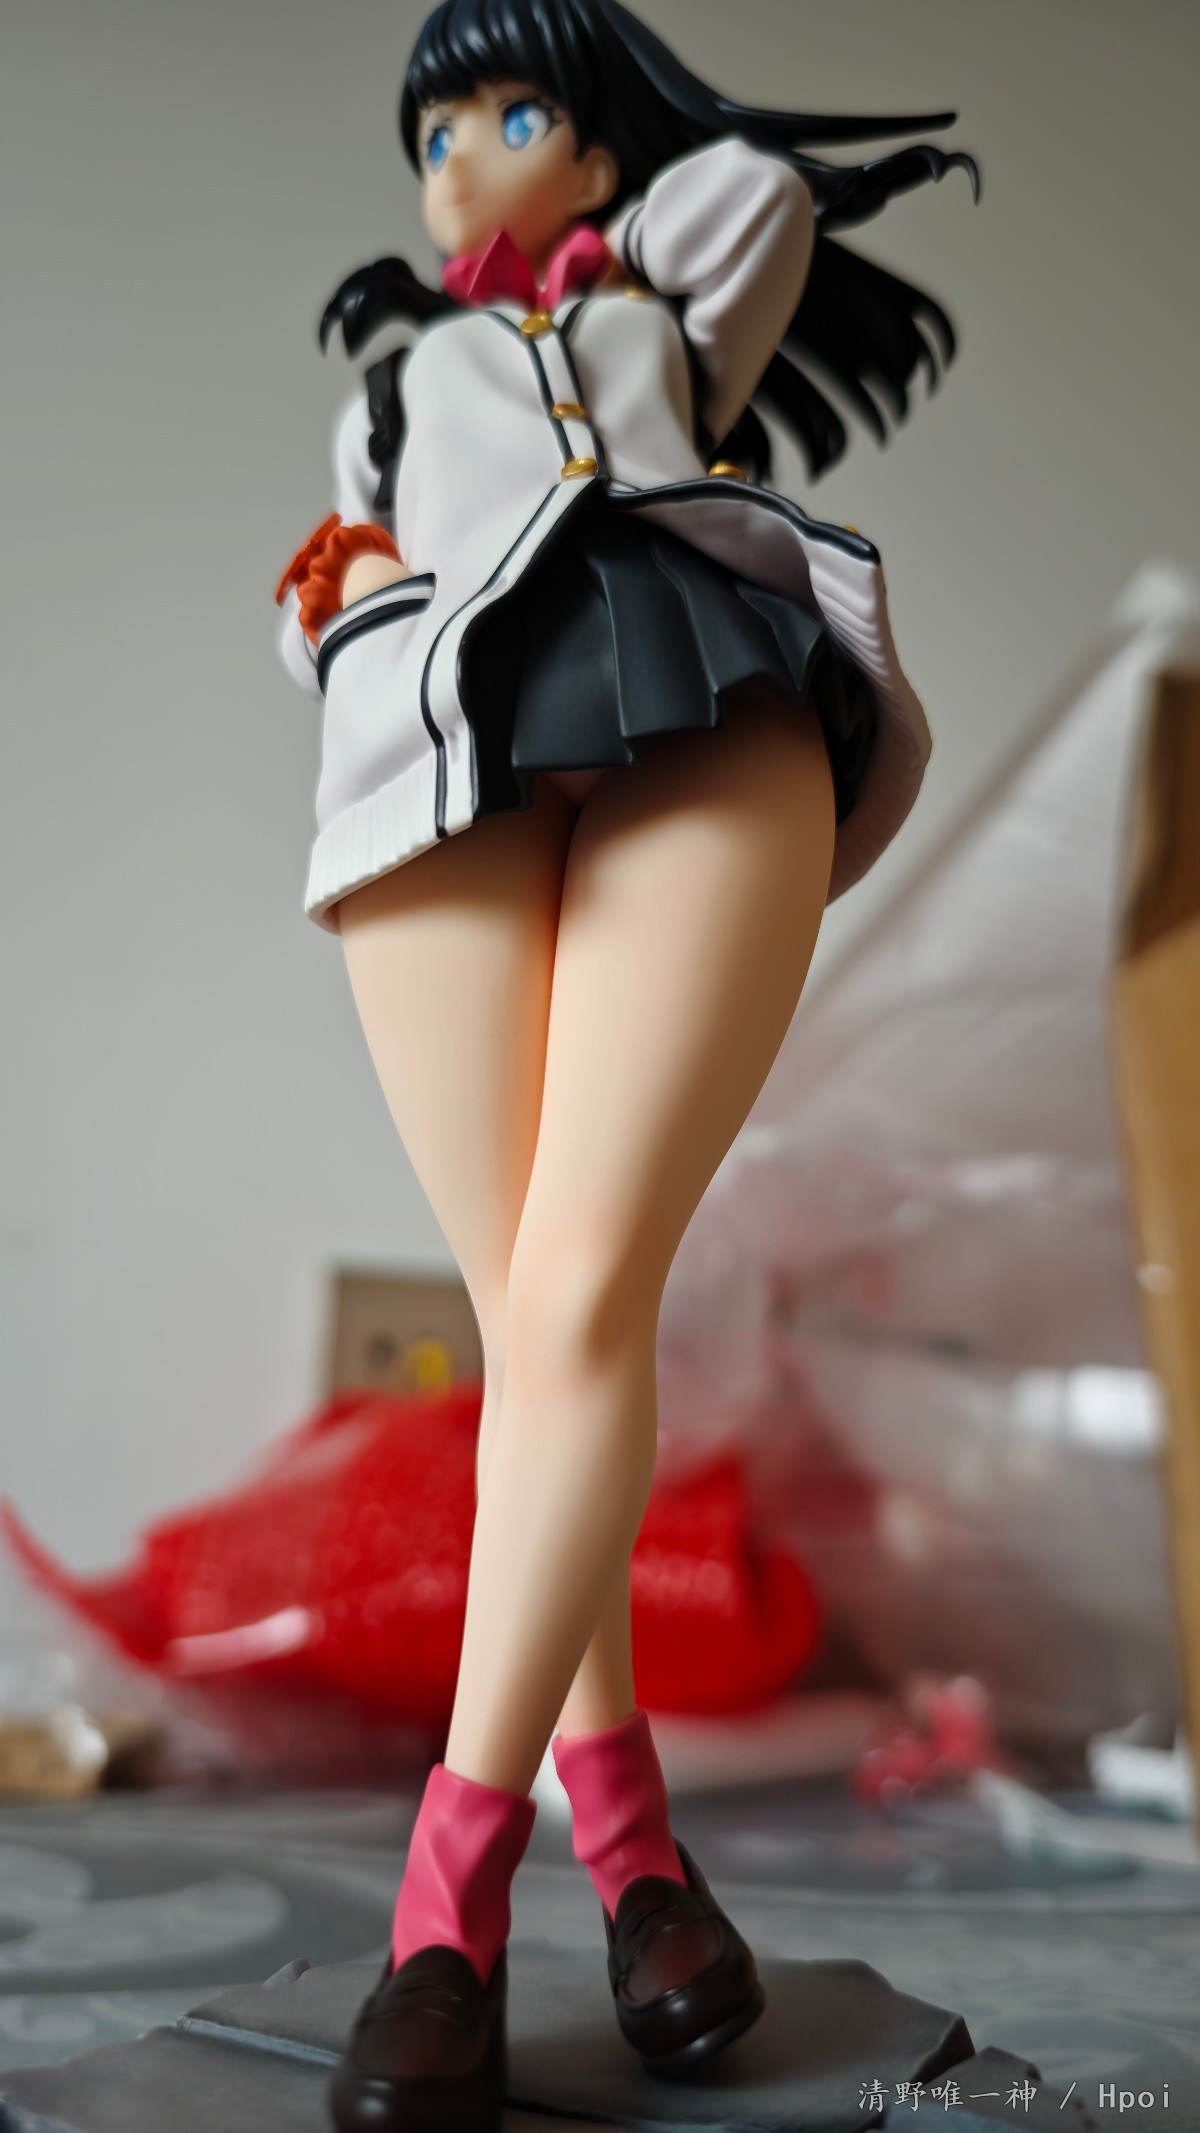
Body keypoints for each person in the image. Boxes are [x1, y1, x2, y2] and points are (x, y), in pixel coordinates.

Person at [274, 4, 978, 2126]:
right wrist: (332, 597)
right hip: (443, 738)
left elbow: (750, 192)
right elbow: (334, 587)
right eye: (431, 131)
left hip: (695, 670)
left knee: (581, 1297)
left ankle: (445, 1916)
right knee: (537, 1333)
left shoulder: (678, 280)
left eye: (507, 111)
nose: (459, 160)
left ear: (596, 143)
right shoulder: (390, 390)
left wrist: (617, 194)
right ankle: (641, 1858)